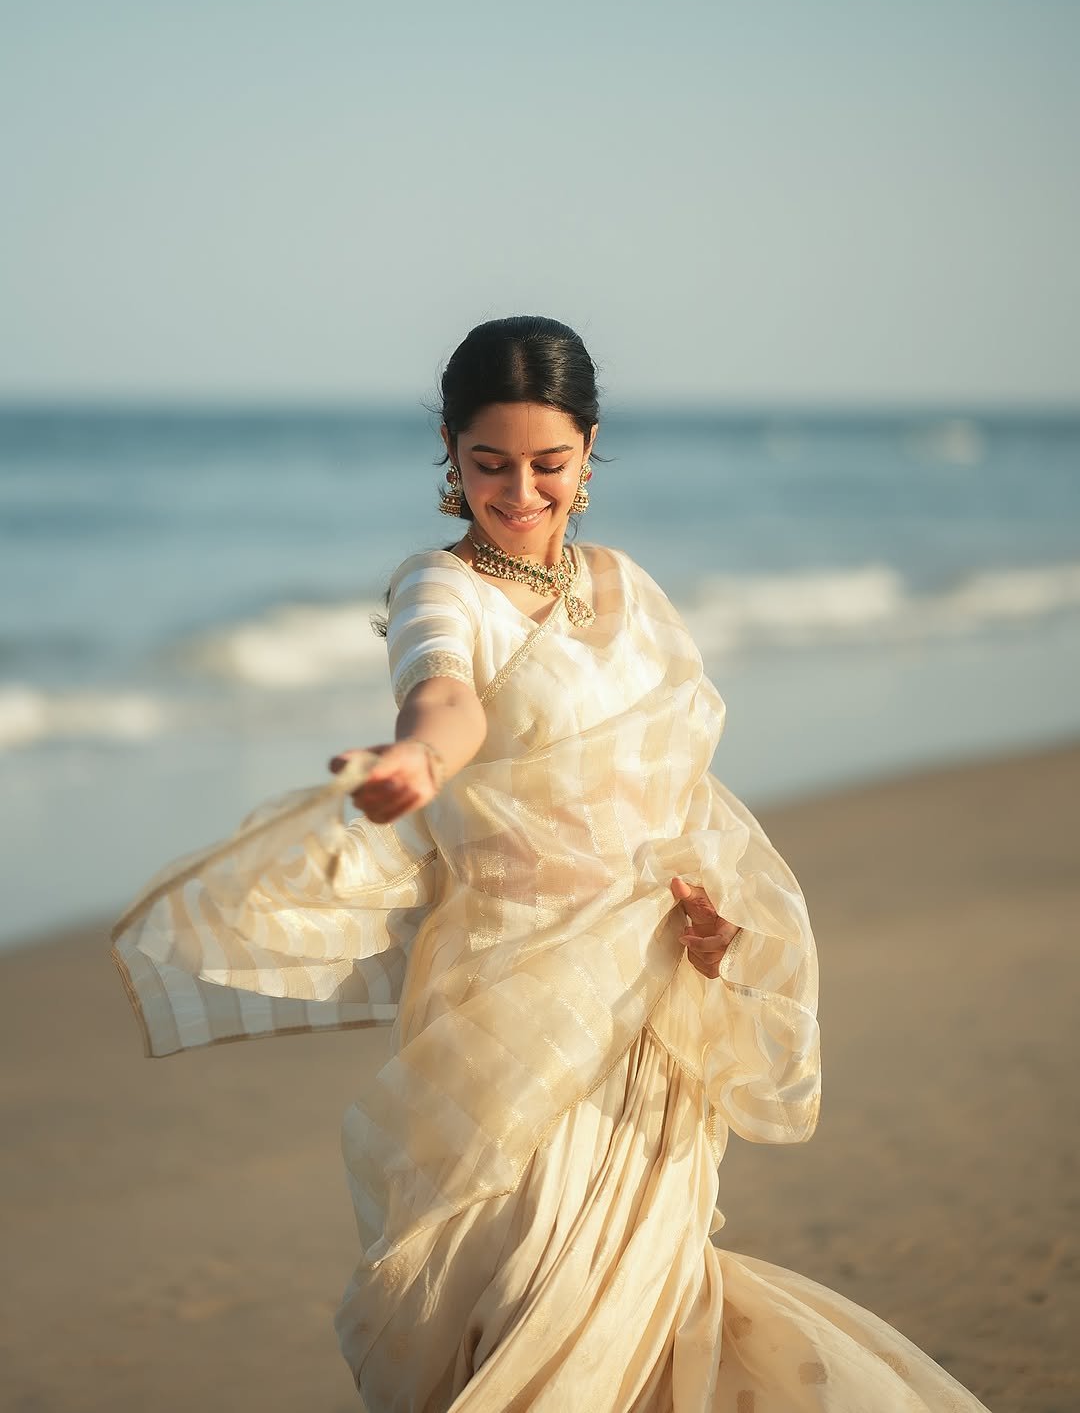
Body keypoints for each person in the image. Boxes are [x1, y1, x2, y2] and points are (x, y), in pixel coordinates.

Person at [111, 315, 993, 1411]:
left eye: (549, 463)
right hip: (506, 993)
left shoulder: (628, 589)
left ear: (589, 448)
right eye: (488, 464)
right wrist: (419, 761)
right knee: (520, 1284)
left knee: (635, 1304)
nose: (519, 492)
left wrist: (713, 920)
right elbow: (443, 694)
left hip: (648, 999)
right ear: (449, 450)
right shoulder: (442, 589)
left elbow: (672, 797)